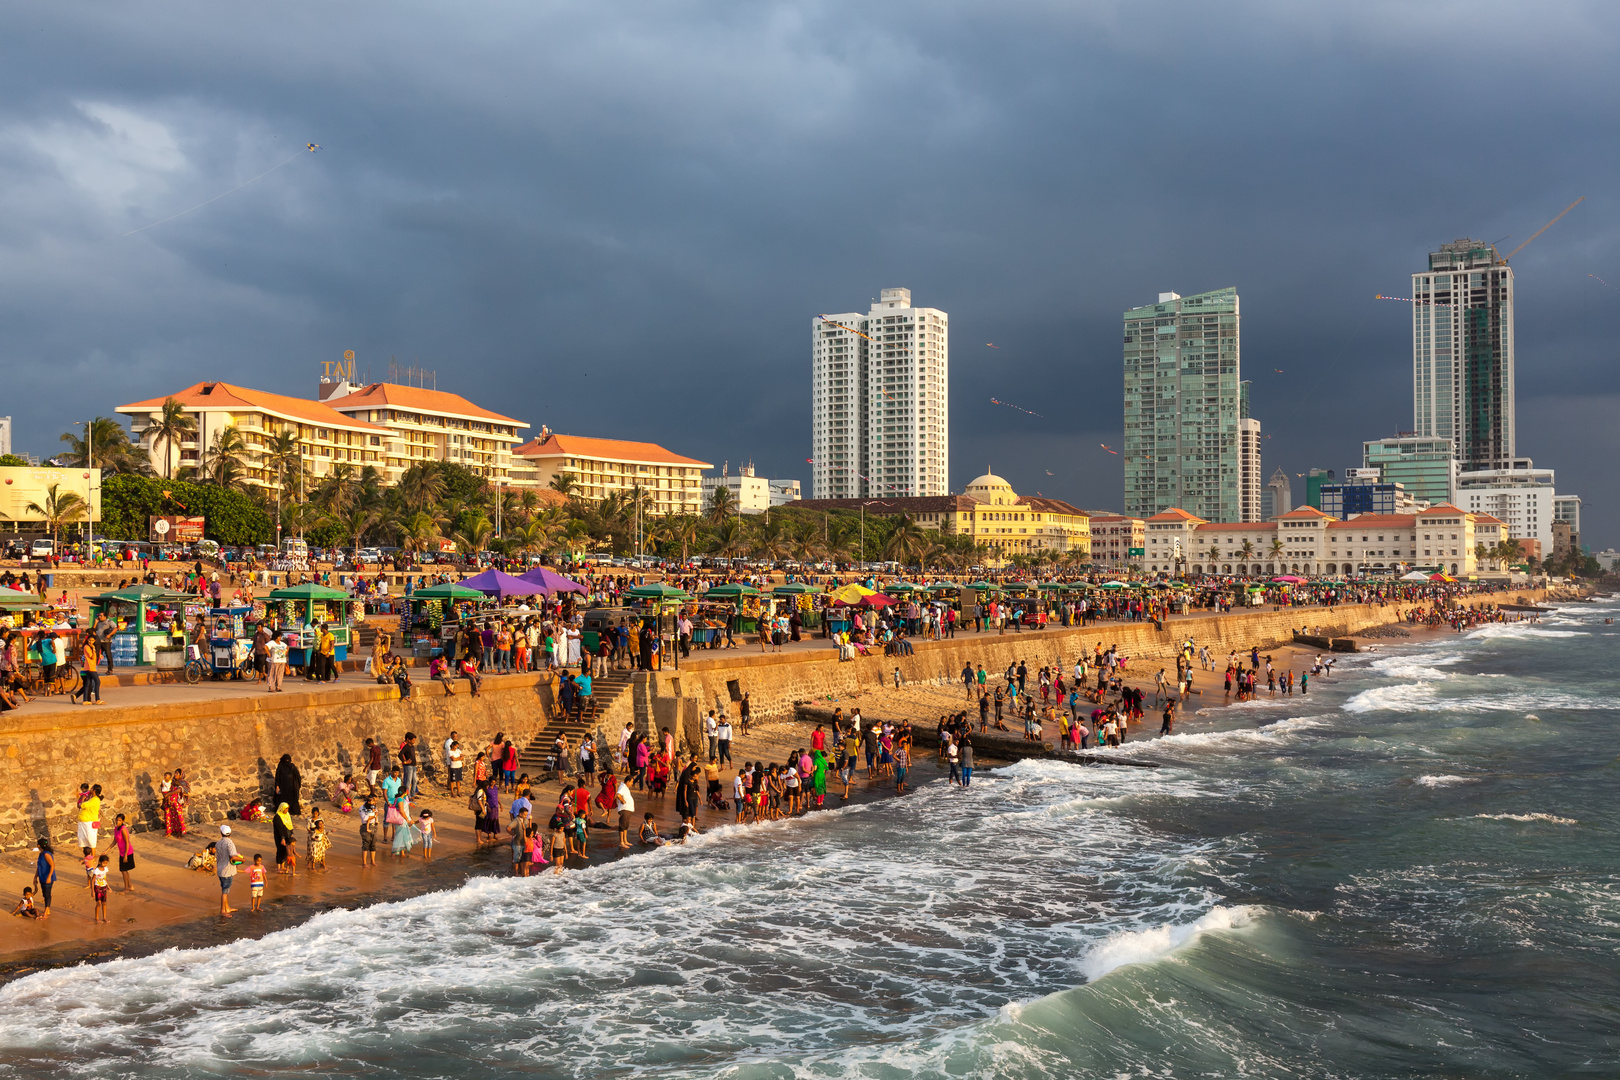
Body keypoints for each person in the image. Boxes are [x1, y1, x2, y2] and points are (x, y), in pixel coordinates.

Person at [216, 824, 242, 917]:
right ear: (230, 833)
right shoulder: (230, 843)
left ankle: (227, 907)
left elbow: (220, 857)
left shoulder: (218, 843)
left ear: (221, 833)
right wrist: (242, 860)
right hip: (227, 870)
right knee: (225, 891)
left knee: (224, 889)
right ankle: (223, 910)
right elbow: (233, 856)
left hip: (220, 869)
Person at [106, 812, 136, 892]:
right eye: (117, 820)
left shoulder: (123, 829)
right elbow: (114, 841)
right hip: (122, 852)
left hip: (127, 852)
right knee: (124, 870)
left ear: (122, 821)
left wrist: (125, 855)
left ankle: (126, 888)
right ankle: (130, 886)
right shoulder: (116, 829)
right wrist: (107, 850)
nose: (117, 822)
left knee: (123, 870)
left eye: (119, 820)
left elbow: (127, 842)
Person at [31, 838, 56, 920]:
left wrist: (49, 877)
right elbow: (39, 867)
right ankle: (47, 910)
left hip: (48, 877)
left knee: (47, 894)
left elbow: (52, 865)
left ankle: (46, 912)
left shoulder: (46, 854)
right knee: (44, 893)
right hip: (42, 877)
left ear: (38, 846)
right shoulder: (41, 854)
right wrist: (35, 877)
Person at [85, 854, 111, 923]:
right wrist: (92, 891)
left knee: (104, 903)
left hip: (104, 887)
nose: (105, 864)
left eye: (106, 863)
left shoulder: (105, 869)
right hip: (97, 887)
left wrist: (108, 886)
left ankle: (104, 917)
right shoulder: (96, 870)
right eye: (104, 863)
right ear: (99, 862)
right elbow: (93, 880)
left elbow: (105, 878)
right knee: (99, 903)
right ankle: (96, 918)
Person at [273, 802, 297, 874]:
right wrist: (282, 838)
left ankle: (283, 866)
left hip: (288, 836)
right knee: (280, 851)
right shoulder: (277, 817)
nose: (287, 810)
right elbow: (280, 829)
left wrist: (291, 834)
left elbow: (290, 824)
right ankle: (278, 868)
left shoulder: (287, 815)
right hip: (280, 837)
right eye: (286, 808)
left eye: (287, 808)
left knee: (286, 851)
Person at [615, 774, 635, 850]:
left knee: (626, 825)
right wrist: (623, 801)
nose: (632, 784)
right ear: (628, 781)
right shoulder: (622, 787)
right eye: (631, 782)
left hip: (628, 809)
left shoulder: (625, 787)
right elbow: (618, 795)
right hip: (624, 809)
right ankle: (621, 842)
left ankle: (625, 840)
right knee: (622, 825)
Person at [359, 800, 379, 866]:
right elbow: (365, 819)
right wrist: (374, 816)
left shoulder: (374, 808)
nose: (374, 803)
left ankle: (372, 861)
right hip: (366, 826)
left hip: (374, 826)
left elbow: (376, 816)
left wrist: (376, 819)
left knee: (373, 844)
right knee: (366, 844)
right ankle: (364, 862)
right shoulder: (362, 808)